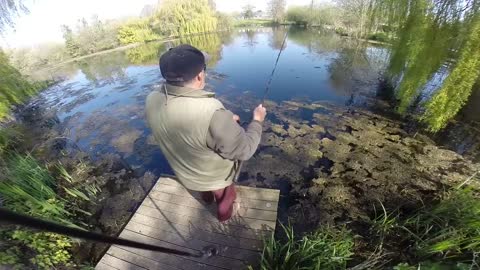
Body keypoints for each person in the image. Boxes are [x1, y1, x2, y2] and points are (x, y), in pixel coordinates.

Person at [146, 44, 266, 222]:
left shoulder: (151, 99)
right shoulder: (211, 111)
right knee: (226, 194)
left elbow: (189, 126)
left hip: (185, 173)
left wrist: (223, 122)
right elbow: (245, 150)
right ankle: (224, 215)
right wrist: (257, 121)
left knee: (205, 184)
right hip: (215, 178)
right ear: (200, 76)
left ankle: (207, 197)